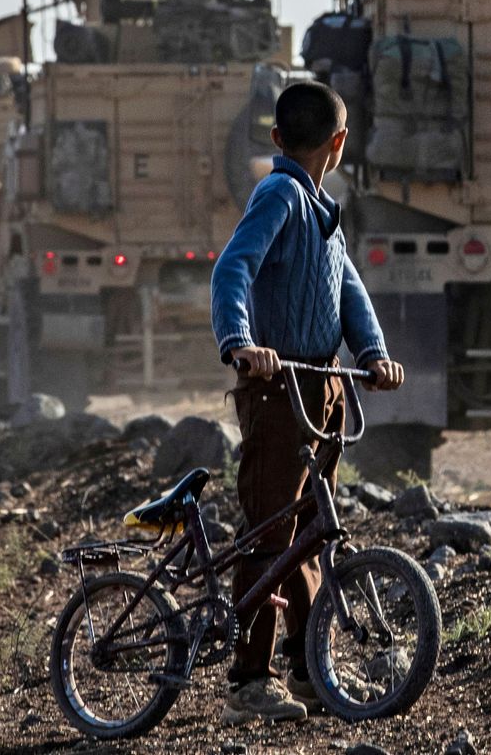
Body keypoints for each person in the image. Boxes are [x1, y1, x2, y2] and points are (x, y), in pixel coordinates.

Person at [209, 81, 406, 725]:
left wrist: (372, 355)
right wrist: (240, 341)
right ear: (341, 143)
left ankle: (306, 664)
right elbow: (232, 268)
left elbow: (348, 288)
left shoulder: (321, 208)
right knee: (271, 530)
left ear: (277, 137)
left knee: (310, 531)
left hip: (321, 384)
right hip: (275, 384)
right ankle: (249, 679)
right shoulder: (279, 194)